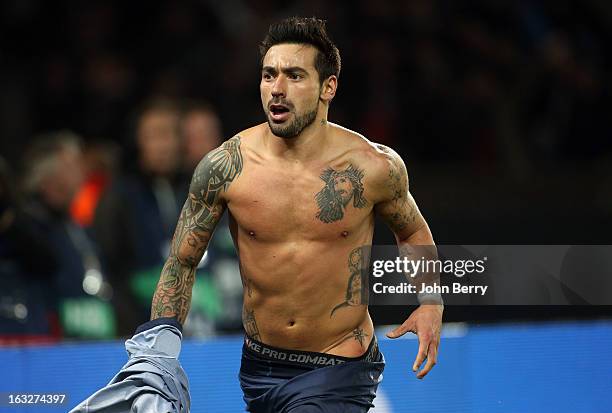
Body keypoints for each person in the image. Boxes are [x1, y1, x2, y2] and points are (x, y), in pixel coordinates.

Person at [149, 17, 443, 412]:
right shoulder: (226, 167)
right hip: (259, 366)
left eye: (294, 75)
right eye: (269, 75)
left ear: (328, 87)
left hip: (340, 362)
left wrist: (431, 302)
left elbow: (412, 233)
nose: (277, 90)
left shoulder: (372, 167)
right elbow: (181, 262)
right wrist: (158, 351)